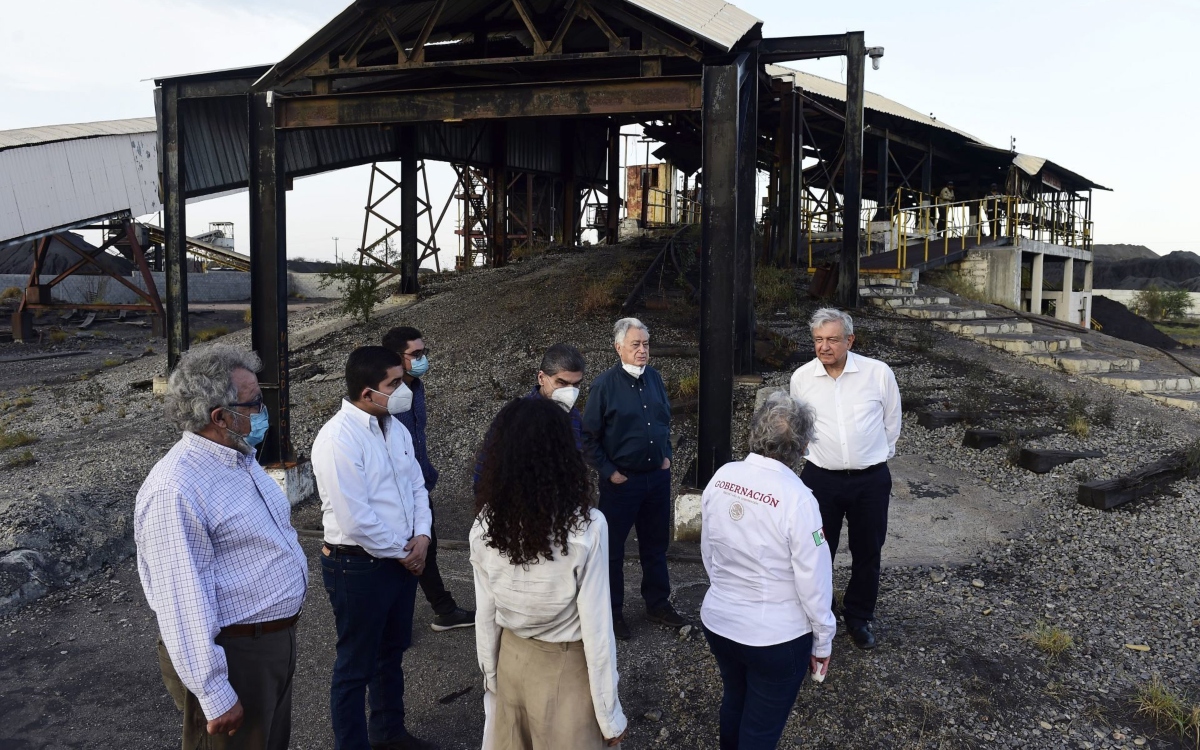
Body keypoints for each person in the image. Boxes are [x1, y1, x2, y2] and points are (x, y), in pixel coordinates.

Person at [135, 344, 308, 750]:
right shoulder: (175, 488)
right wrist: (214, 693)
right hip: (234, 656)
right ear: (221, 417)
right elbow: (181, 601)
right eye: (256, 403)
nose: (264, 411)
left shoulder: (239, 457)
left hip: (269, 644)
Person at [471, 398, 628, 750]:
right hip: (565, 670)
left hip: (511, 660)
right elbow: (598, 630)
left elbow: (486, 614)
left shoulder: (484, 526)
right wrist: (609, 714)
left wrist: (492, 679)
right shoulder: (586, 529)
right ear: (564, 454)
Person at [312, 346, 438, 750]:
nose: (403, 390)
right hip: (358, 567)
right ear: (368, 393)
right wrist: (405, 552)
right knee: (355, 666)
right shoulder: (337, 440)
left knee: (391, 652)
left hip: (401, 560)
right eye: (394, 384)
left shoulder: (394, 427)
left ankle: (389, 733)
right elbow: (355, 518)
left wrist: (422, 537)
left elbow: (416, 485)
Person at [700, 392, 836, 750]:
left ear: (756, 431)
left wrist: (727, 591)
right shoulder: (799, 499)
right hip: (775, 636)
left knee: (735, 700)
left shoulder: (722, 476)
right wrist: (823, 639)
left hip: (720, 620)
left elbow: (709, 550)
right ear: (803, 446)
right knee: (760, 729)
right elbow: (814, 582)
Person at [790, 308, 900, 650]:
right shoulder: (802, 378)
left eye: (833, 340)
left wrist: (873, 456)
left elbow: (891, 422)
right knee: (818, 551)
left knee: (868, 550)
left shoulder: (877, 373)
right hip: (821, 479)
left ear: (849, 340)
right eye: (819, 340)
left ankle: (859, 616)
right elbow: (799, 427)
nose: (825, 347)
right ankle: (818, 615)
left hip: (870, 480)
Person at [582, 317, 682, 641]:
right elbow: (588, 437)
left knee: (655, 546)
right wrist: (610, 472)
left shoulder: (654, 378)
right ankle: (612, 612)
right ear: (618, 347)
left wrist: (666, 455)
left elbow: (664, 420)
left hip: (656, 479)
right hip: (622, 484)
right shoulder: (604, 385)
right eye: (635, 345)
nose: (642, 350)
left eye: (646, 344)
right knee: (611, 550)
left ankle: (657, 604)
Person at [381, 326, 474, 632]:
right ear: (397, 358)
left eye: (424, 353)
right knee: (402, 554)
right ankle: (399, 623)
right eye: (415, 354)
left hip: (418, 486)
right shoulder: (387, 397)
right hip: (396, 491)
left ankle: (442, 610)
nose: (422, 359)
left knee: (424, 548)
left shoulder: (416, 387)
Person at [472, 343, 587, 490]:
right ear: (541, 378)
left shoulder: (574, 416)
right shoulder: (515, 416)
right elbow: (485, 465)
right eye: (562, 383)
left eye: (576, 384)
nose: (570, 392)